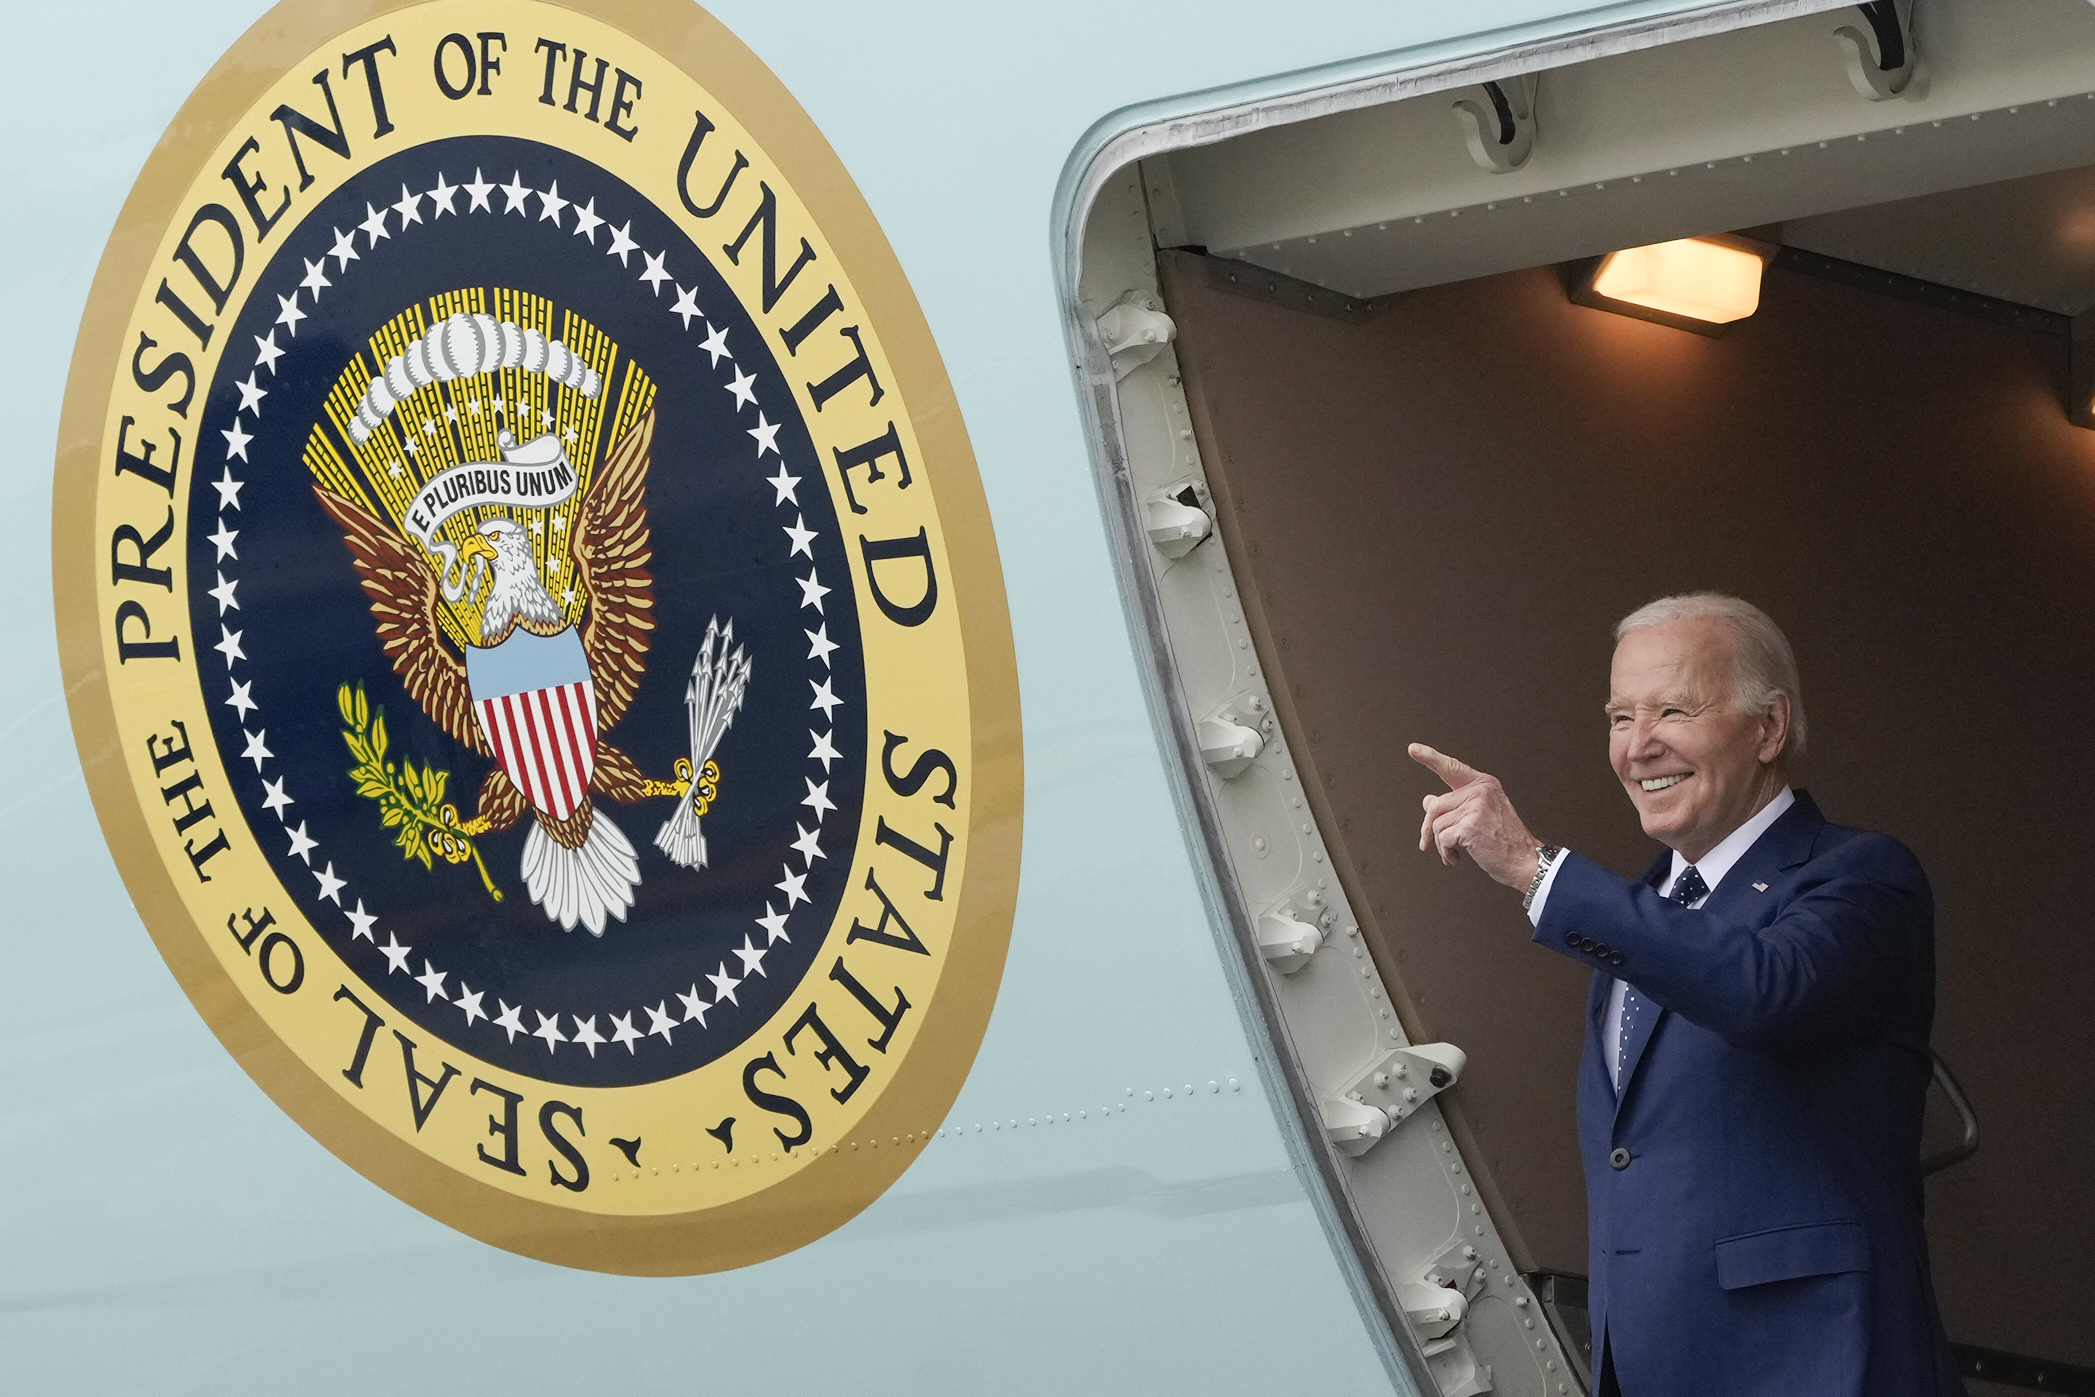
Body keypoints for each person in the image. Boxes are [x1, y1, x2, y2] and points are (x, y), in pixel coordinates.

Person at [1410, 593, 1963, 1397]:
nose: (1639, 746)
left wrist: (1536, 868)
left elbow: (1762, 990)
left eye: (1672, 708)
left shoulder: (1860, 877)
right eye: (1617, 716)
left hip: (1814, 1367)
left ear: (1768, 728)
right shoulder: (1641, 921)